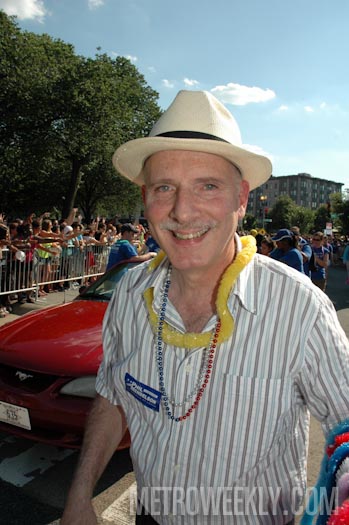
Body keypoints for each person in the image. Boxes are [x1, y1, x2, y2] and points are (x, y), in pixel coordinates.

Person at [61, 90, 349, 525]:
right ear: (146, 198)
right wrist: (80, 495)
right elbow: (111, 395)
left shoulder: (300, 308)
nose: (182, 210)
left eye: (208, 186)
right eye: (165, 188)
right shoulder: (129, 291)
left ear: (242, 198)